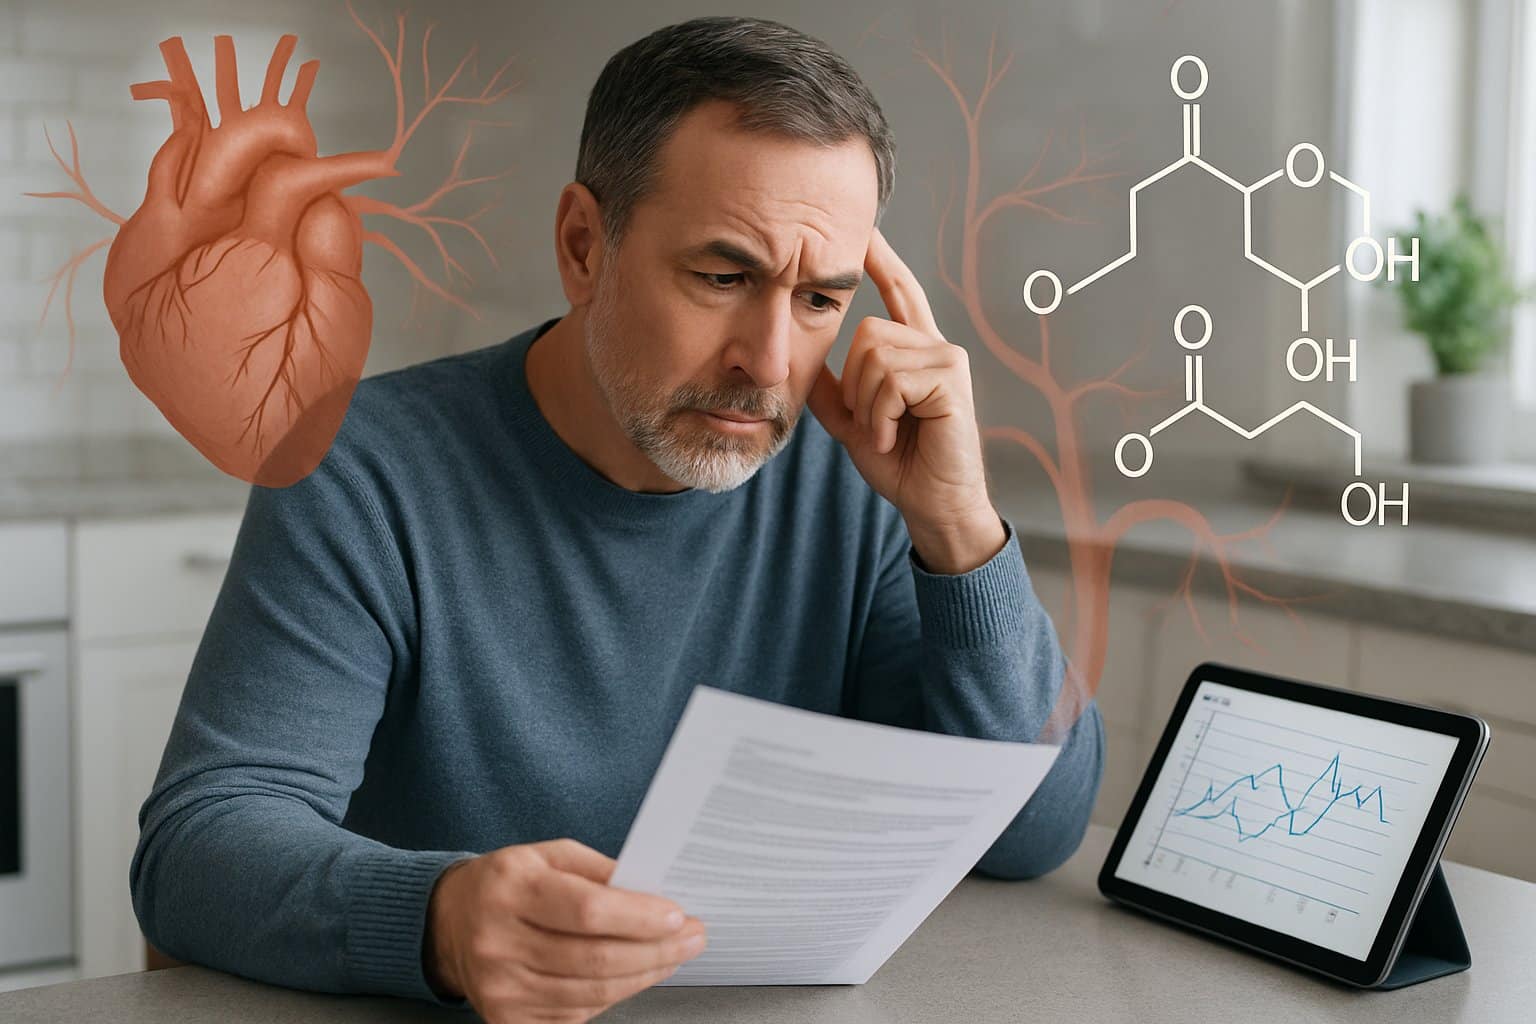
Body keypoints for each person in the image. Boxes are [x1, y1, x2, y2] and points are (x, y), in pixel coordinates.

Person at [131, 14, 1105, 1024]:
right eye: (724, 277)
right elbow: (200, 844)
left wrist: (960, 530)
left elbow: (1037, 832)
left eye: (820, 298)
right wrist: (441, 920)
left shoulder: (860, 475)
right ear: (583, 245)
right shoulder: (360, 466)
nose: (769, 362)